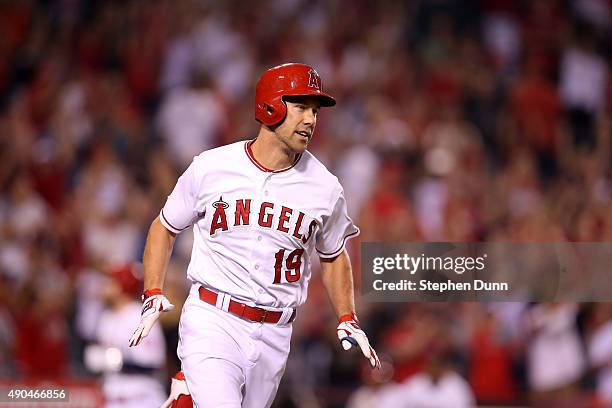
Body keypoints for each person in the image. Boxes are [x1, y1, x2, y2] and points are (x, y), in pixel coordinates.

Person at [129, 63, 380, 407]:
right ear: (271, 105)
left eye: (315, 111)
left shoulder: (325, 188)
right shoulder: (211, 167)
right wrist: (153, 289)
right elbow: (165, 227)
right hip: (213, 317)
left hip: (275, 334)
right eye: (301, 106)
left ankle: (184, 399)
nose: (310, 119)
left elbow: (334, 254)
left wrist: (347, 316)